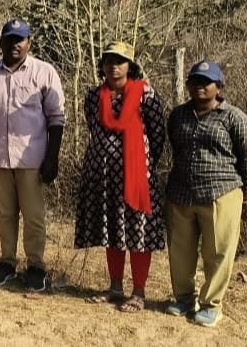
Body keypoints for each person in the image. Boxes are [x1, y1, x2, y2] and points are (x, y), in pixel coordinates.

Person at [164, 60, 247, 327]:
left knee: (217, 250)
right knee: (180, 250)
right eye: (194, 82)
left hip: (222, 191)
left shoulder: (235, 118)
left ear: (219, 87)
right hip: (181, 192)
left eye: (206, 83)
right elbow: (175, 146)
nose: (199, 88)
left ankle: (211, 304)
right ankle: (184, 298)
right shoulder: (178, 115)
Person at [0, 19, 66, 292]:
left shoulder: (43, 72)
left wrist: (53, 157)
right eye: (10, 39)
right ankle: (7, 262)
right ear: (0, 42)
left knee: (34, 215)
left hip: (32, 159)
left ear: (29, 43)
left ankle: (36, 266)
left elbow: (56, 119)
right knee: (5, 214)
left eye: (20, 39)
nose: (15, 44)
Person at [74, 43, 167, 313]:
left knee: (138, 231)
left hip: (137, 177)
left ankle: (138, 292)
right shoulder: (94, 97)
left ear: (130, 66)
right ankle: (115, 287)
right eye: (109, 61)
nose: (114, 66)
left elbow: (157, 135)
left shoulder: (145, 94)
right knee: (112, 228)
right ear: (102, 66)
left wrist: (141, 163)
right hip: (102, 177)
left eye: (120, 61)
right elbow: (95, 128)